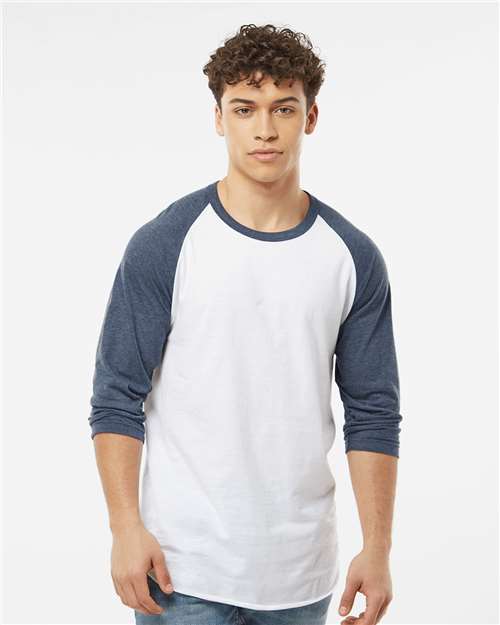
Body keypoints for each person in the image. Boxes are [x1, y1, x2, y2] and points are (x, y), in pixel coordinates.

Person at [89, 23, 402, 625]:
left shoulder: (352, 257)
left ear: (310, 117)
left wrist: (378, 547)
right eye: (244, 108)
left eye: (284, 108)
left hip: (301, 577)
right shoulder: (165, 244)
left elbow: (373, 410)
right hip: (179, 571)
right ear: (219, 118)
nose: (265, 129)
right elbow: (116, 396)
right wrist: (124, 528)